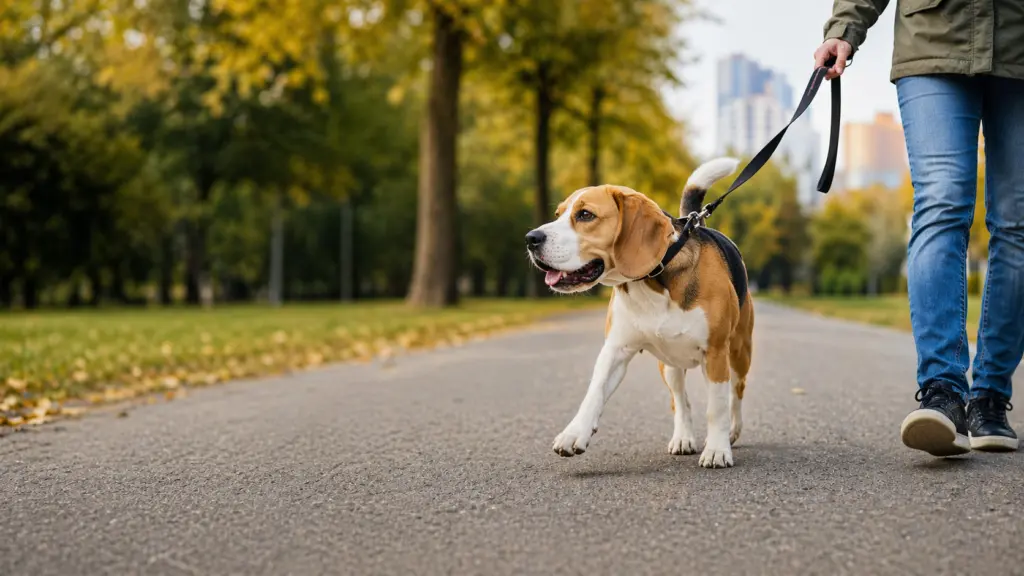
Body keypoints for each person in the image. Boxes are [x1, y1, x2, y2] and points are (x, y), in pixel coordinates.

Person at [815, 0, 1024, 456]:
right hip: (935, 34)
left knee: (1018, 222)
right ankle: (944, 391)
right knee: (943, 201)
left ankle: (990, 397)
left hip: (1018, 42)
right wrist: (845, 26)